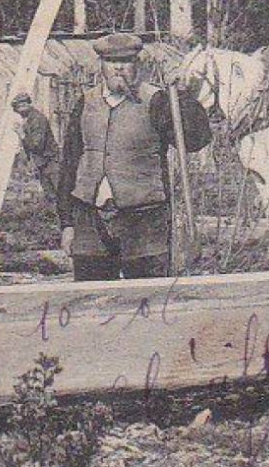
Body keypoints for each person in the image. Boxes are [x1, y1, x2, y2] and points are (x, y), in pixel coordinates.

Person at [56, 33, 212, 281]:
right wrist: (67, 223)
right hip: (90, 220)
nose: (118, 67)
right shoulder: (85, 103)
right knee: (91, 302)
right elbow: (70, 164)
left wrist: (182, 97)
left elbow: (196, 139)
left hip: (144, 222)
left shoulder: (157, 101)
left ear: (137, 64)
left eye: (126, 61)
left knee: (146, 300)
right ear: (101, 65)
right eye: (111, 61)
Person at [11, 90, 60, 198]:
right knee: (51, 195)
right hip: (42, 162)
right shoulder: (27, 120)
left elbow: (37, 145)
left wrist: (22, 134)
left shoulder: (37, 119)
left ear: (28, 104)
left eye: (24, 104)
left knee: (59, 194)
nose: (21, 108)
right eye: (18, 106)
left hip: (50, 161)